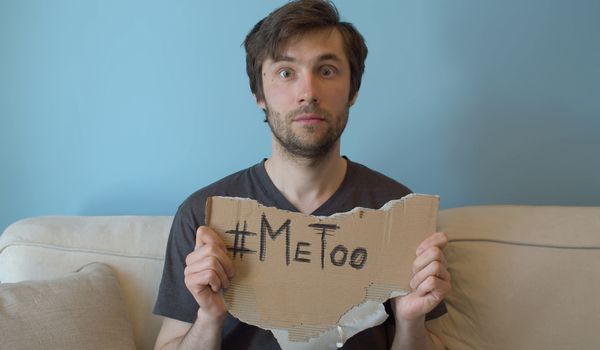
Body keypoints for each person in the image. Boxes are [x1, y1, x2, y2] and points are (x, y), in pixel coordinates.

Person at [153, 1, 451, 349]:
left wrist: (410, 322)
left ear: (353, 91)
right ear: (258, 94)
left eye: (326, 70)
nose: (307, 92)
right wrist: (209, 317)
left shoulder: (401, 212)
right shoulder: (203, 214)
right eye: (285, 72)